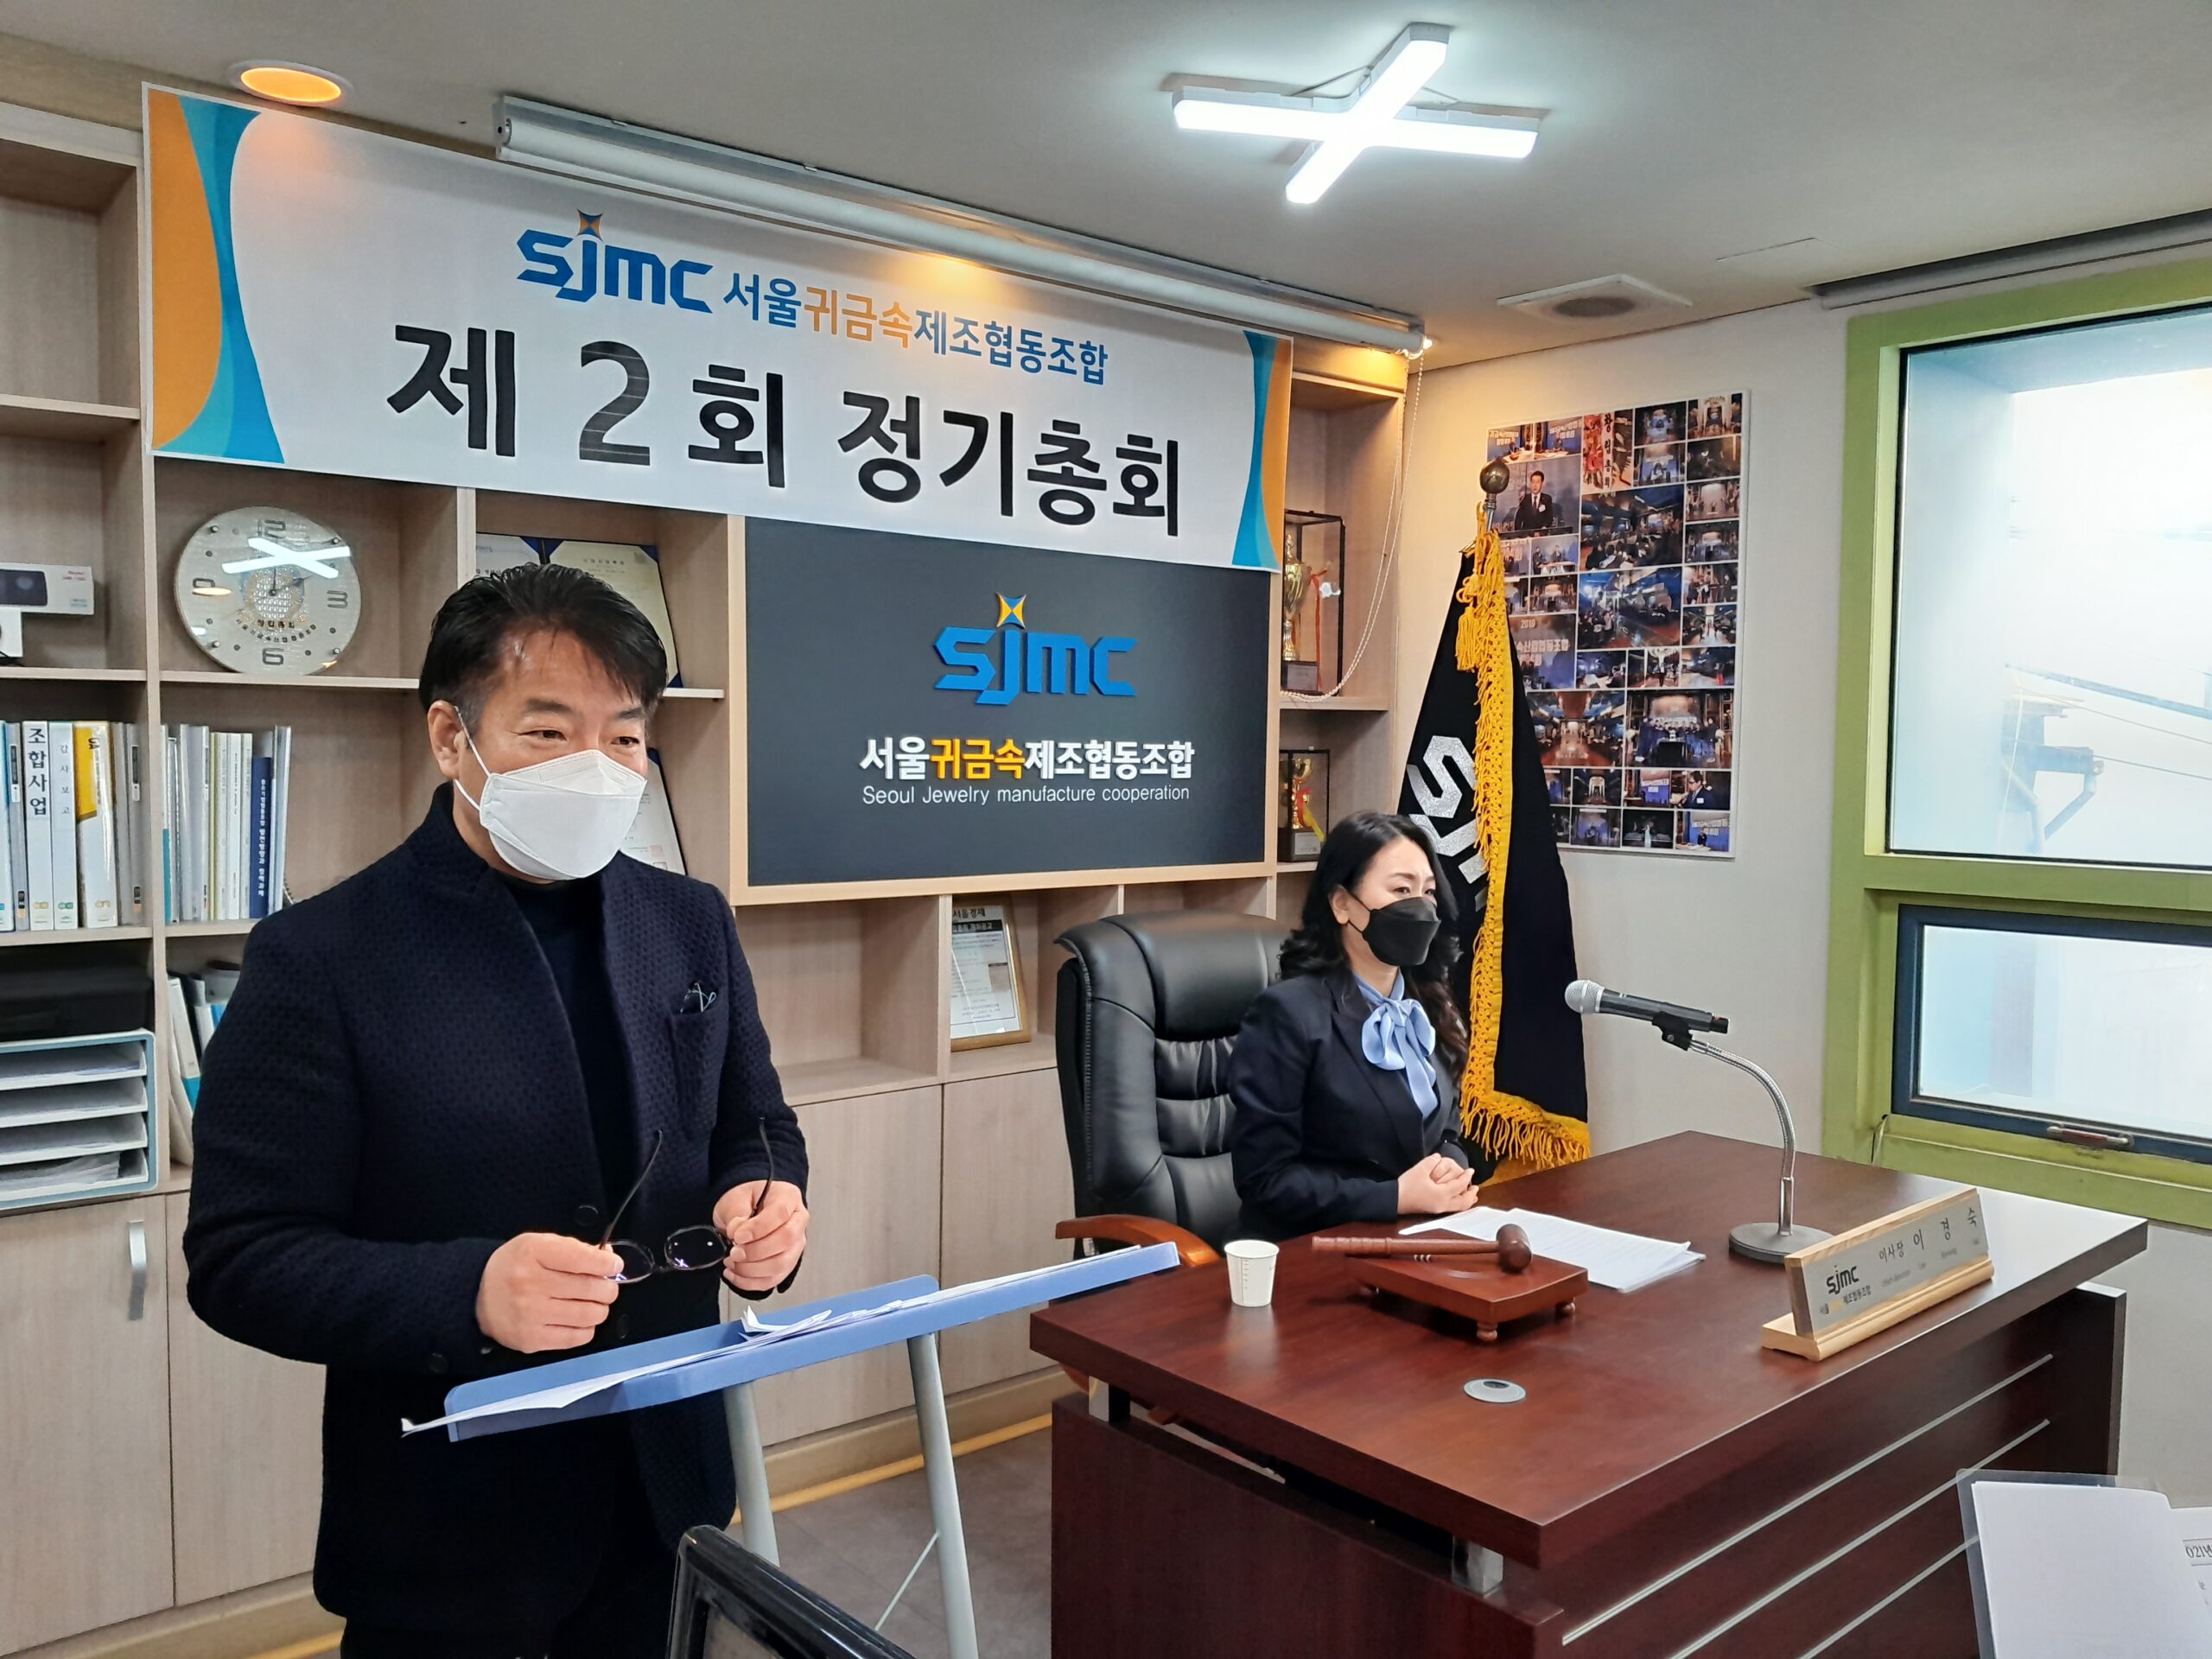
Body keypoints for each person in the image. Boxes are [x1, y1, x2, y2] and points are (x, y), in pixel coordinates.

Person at [184, 564, 811, 1659]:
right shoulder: (321, 957)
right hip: (453, 1526)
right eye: (549, 730)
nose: (595, 767)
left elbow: (754, 1124)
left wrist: (767, 1199)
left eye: (624, 737)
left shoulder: (688, 921)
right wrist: (467, 1291)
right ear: (451, 736)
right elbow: (241, 1256)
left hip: (666, 1488)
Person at [1227, 811, 1478, 1239]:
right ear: (1342, 903)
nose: (1420, 907)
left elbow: (1445, 1130)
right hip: (1316, 1250)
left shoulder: (1428, 1002)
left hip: (1416, 1235)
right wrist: (1394, 1197)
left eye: (1428, 892)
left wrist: (1449, 1169)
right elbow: (1265, 1181)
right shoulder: (1288, 1014)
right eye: (1401, 890)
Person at [1511, 468, 1557, 533]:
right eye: (1533, 482)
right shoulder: (1525, 500)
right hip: (1528, 535)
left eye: (1538, 482)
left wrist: (1544, 528)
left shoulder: (1547, 499)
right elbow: (1519, 520)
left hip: (1542, 535)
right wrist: (1520, 534)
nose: (1535, 485)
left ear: (1542, 484)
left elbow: (1549, 517)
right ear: (1530, 484)